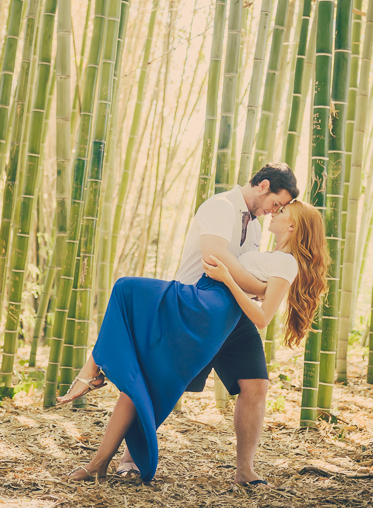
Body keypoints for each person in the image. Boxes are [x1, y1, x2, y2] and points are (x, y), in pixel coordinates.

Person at [58, 166, 328, 484]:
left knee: (256, 387)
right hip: (193, 307)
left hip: (233, 314)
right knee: (152, 377)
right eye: (276, 203)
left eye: (281, 210)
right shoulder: (221, 206)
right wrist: (250, 285)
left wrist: (248, 284)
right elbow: (215, 257)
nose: (274, 211)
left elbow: (252, 283)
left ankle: (245, 470)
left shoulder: (256, 230)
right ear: (263, 186)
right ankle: (110, 452)